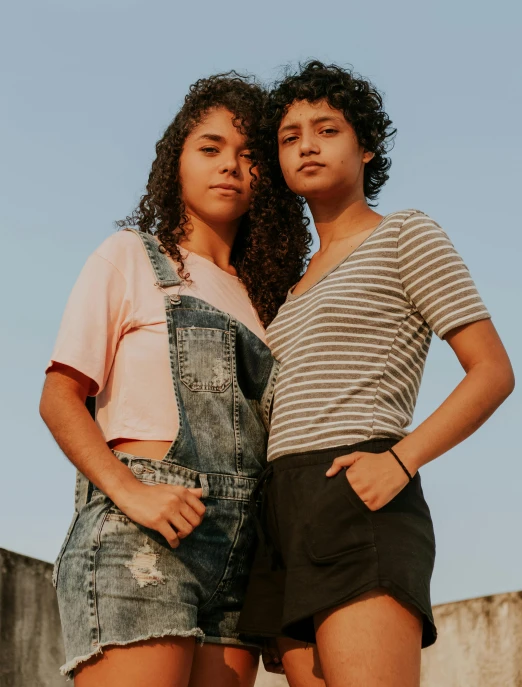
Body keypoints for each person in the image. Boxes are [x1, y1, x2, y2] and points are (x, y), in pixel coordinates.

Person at [238, 61, 515, 687]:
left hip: (357, 488)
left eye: (326, 129)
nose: (307, 144)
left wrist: (402, 459)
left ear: (365, 147)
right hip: (282, 507)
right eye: (289, 136)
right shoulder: (290, 285)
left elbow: (493, 371)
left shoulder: (406, 237)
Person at [39, 72, 310, 687]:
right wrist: (128, 492)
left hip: (240, 556)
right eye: (210, 148)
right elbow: (59, 397)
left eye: (249, 156)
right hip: (143, 536)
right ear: (176, 162)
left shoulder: (266, 303)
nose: (230, 167)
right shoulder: (133, 257)